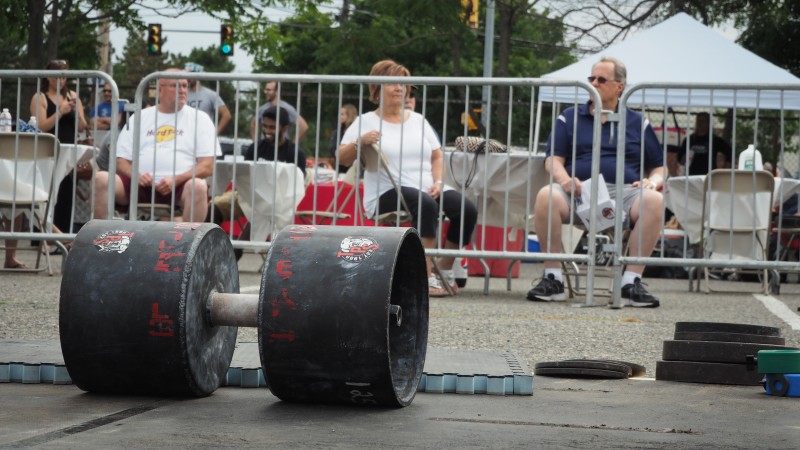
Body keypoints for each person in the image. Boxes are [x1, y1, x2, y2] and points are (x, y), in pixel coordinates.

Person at [527, 56, 666, 308]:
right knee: (547, 194)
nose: (594, 83)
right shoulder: (569, 117)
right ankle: (553, 278)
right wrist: (565, 180)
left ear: (619, 86)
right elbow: (552, 160)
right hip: (579, 190)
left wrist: (653, 181)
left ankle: (630, 282)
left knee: (655, 200)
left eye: (601, 79)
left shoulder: (638, 122)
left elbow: (659, 166)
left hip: (625, 192)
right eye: (591, 78)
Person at [337, 59, 478, 297]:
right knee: (425, 204)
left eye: (404, 83)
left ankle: (444, 266)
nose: (400, 88)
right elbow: (341, 158)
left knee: (466, 209)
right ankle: (425, 274)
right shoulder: (365, 121)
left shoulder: (418, 120)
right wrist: (359, 142)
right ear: (377, 88)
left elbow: (436, 156)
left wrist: (438, 182)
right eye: (394, 82)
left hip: (426, 186)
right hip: (386, 191)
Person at [93, 68, 220, 222]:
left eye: (185, 86)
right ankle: (104, 239)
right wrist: (137, 176)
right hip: (139, 185)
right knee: (101, 179)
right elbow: (121, 161)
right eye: (175, 86)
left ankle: (190, 243)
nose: (182, 91)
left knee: (199, 186)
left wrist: (176, 179)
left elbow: (208, 166)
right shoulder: (140, 117)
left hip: (181, 187)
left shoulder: (201, 118)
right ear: (160, 90)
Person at [29, 59, 88, 234]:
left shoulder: (72, 96)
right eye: (56, 76)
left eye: (63, 77)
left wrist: (76, 111)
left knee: (66, 192)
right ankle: (41, 234)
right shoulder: (40, 97)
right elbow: (41, 126)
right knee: (45, 192)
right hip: (47, 152)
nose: (60, 81)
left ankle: (63, 235)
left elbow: (82, 126)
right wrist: (60, 112)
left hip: (68, 151)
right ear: (48, 77)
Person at [244, 105, 307, 175]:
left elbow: (299, 182)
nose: (267, 131)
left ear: (285, 129)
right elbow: (245, 178)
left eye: (272, 128)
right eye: (264, 126)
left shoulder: (296, 154)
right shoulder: (254, 149)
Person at [249, 80, 308, 145]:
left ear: (276, 92)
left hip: (281, 149)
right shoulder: (262, 108)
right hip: (265, 148)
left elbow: (303, 126)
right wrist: (255, 144)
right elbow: (253, 124)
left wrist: (293, 146)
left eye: (268, 90)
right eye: (265, 90)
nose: (265, 92)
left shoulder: (287, 108)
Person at [184, 62, 232, 136]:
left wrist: (215, 133)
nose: (188, 78)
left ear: (198, 75)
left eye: (191, 74)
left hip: (203, 135)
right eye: (186, 74)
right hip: (184, 134)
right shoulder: (182, 93)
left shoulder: (210, 94)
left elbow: (226, 114)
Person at [328, 104, 357, 173]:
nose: (339, 117)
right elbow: (332, 150)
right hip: (339, 168)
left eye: (342, 114)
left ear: (349, 115)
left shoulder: (356, 132)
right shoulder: (337, 132)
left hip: (353, 169)